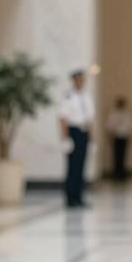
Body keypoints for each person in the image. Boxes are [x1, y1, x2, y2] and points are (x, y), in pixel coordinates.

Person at [58, 68, 95, 208]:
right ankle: (70, 198)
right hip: (73, 132)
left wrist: (91, 139)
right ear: (74, 81)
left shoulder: (86, 96)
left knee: (81, 166)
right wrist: (65, 138)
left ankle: (79, 197)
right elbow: (62, 119)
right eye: (78, 79)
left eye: (82, 79)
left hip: (84, 132)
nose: (81, 82)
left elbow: (90, 120)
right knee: (72, 167)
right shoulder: (68, 97)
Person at [105, 96, 132, 181]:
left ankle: (122, 173)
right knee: (116, 156)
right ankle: (116, 173)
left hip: (123, 137)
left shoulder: (126, 114)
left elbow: (129, 127)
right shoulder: (113, 113)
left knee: (123, 155)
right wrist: (110, 138)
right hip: (116, 137)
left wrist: (129, 138)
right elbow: (110, 127)